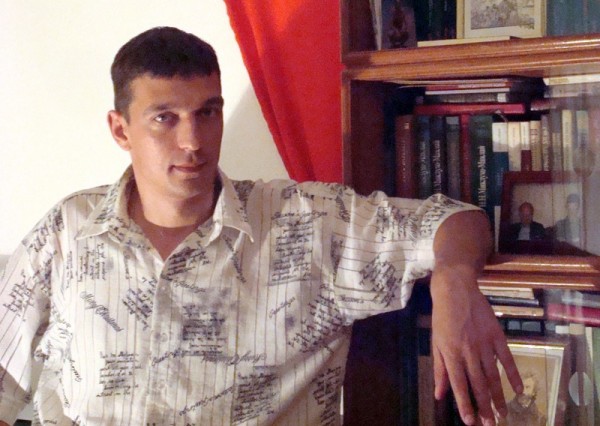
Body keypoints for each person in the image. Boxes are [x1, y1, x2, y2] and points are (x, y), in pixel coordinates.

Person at [0, 27, 522, 426]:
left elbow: (455, 220)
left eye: (208, 112)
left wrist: (454, 278)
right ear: (121, 130)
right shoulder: (69, 230)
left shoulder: (303, 223)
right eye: (165, 118)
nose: (193, 141)